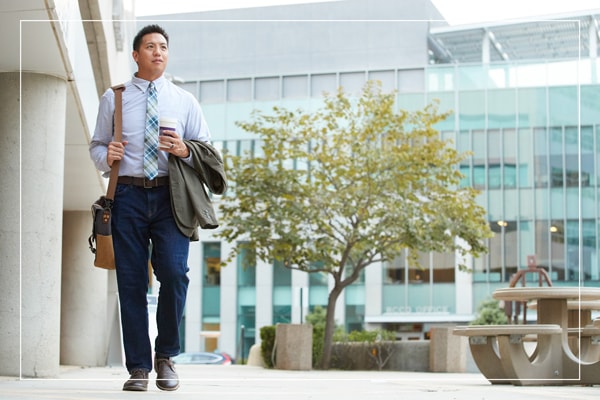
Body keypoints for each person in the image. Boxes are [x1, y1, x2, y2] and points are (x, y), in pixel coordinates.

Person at [89, 24, 211, 392]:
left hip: (170, 197)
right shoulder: (115, 98)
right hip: (126, 195)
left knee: (175, 273)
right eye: (150, 46)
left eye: (163, 47)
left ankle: (167, 356)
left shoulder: (185, 100)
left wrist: (183, 150)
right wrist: (105, 155)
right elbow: (96, 146)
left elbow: (205, 150)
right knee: (130, 281)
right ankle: (139, 367)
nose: (158, 52)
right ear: (135, 55)